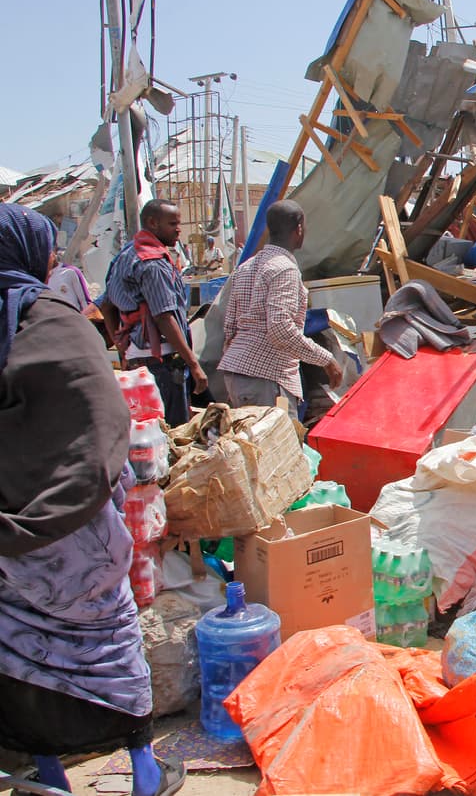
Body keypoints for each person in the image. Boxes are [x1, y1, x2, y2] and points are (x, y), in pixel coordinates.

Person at [0, 204, 186, 796]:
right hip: (77, 526)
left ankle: (50, 775)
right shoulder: (51, 319)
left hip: (7, 534)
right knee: (110, 641)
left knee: (21, 655)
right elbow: (106, 419)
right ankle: (144, 774)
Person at [218, 201, 343, 420]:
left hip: (238, 374)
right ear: (299, 229)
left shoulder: (246, 267)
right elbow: (280, 329)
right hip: (266, 377)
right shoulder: (284, 269)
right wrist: (326, 359)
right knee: (277, 449)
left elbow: (230, 326)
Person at [100, 198, 207, 427]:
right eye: (172, 224)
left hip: (135, 359)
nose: (178, 230)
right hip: (162, 364)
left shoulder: (125, 255)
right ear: (152, 223)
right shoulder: (153, 263)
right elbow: (164, 317)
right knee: (171, 430)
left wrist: (122, 348)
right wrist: (194, 365)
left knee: (146, 430)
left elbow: (106, 305)